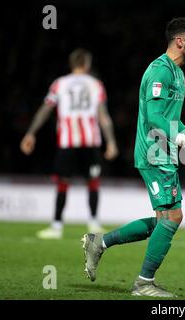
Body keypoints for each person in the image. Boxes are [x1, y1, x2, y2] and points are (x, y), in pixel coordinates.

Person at [81, 17, 185, 297]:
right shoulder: (160, 71)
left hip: (165, 153)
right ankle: (143, 283)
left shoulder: (179, 74)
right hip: (154, 152)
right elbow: (156, 117)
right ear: (180, 41)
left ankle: (99, 242)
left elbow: (172, 118)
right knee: (172, 217)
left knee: (164, 220)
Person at [20, 48, 119, 239]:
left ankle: (56, 226)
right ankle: (94, 223)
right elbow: (103, 117)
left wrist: (31, 133)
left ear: (72, 64)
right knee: (93, 181)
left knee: (62, 183)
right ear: (87, 64)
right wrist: (111, 142)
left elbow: (45, 110)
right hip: (90, 141)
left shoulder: (59, 84)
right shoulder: (96, 84)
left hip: (67, 141)